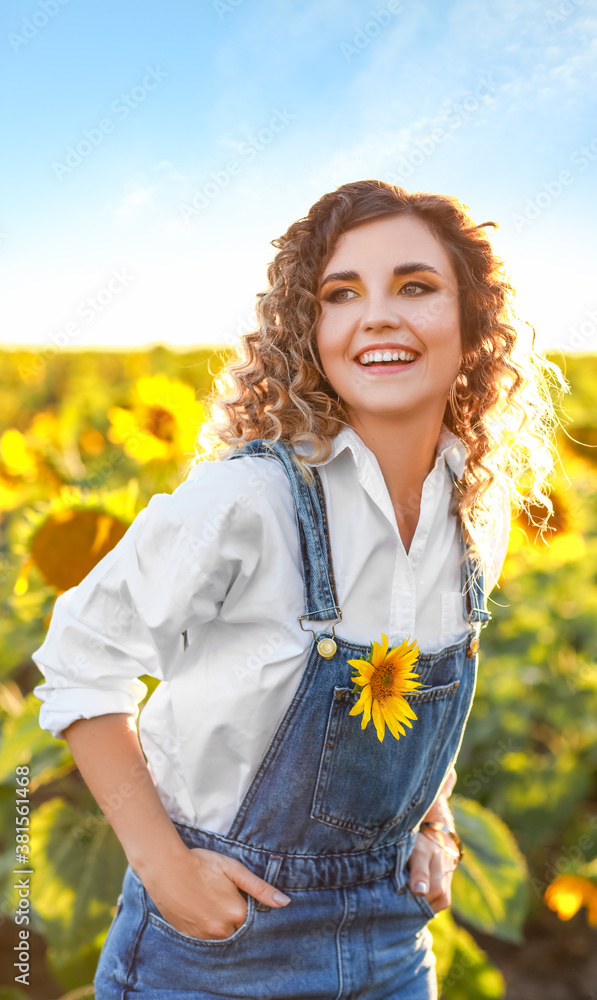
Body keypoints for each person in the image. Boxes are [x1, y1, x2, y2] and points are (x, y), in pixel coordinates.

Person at [32, 179, 564, 999]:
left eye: (414, 287)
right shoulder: (248, 501)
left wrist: (434, 821)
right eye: (340, 294)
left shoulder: (471, 519)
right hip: (216, 951)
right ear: (308, 331)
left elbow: (426, 703)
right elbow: (79, 658)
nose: (376, 315)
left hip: (393, 946)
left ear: (474, 321)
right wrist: (165, 869)